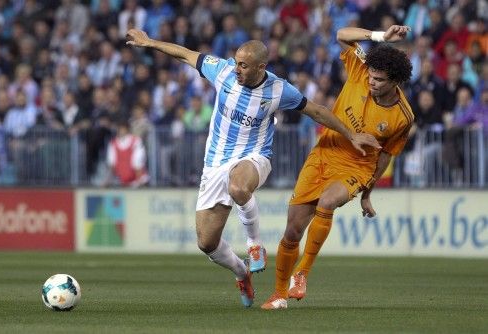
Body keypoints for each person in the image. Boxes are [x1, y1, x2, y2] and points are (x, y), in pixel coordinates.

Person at [126, 28, 380, 307]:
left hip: (255, 157)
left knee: (238, 186)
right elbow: (185, 54)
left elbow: (317, 110)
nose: (237, 69)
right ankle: (241, 272)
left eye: (244, 65)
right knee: (206, 243)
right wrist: (149, 43)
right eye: (236, 62)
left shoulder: (279, 89)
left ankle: (254, 244)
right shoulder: (221, 71)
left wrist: (350, 134)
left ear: (262, 67)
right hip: (215, 164)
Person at [261, 24, 414, 309]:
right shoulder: (360, 70)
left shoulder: (403, 117)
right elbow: (341, 35)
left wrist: (367, 193)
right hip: (324, 154)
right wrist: (379, 37)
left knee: (328, 202)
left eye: (380, 80)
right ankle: (279, 294)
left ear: (395, 82)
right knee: (292, 231)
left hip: (356, 167)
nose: (372, 82)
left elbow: (386, 155)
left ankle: (302, 274)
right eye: (372, 75)